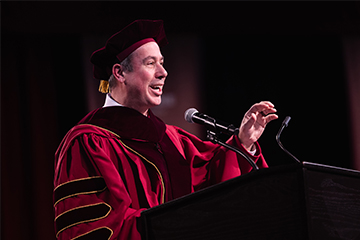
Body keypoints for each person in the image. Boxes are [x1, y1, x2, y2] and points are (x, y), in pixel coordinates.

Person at [53, 19, 278, 240]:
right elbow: (92, 228)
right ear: (120, 73)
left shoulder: (172, 139)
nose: (163, 72)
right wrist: (172, 223)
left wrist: (244, 142)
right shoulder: (88, 142)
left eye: (162, 62)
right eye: (151, 63)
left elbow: (214, 181)